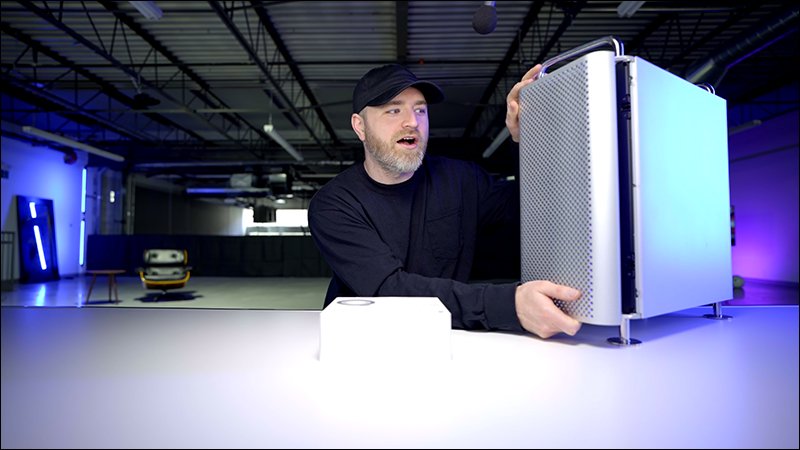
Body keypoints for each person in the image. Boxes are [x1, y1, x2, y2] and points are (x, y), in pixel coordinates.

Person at [308, 63, 582, 339]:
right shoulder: (334, 204)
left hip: (448, 338)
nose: (412, 122)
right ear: (360, 126)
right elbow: (389, 289)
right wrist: (510, 305)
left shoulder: (462, 180)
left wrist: (527, 139)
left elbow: (532, 209)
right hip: (362, 341)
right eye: (393, 110)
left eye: (420, 110)